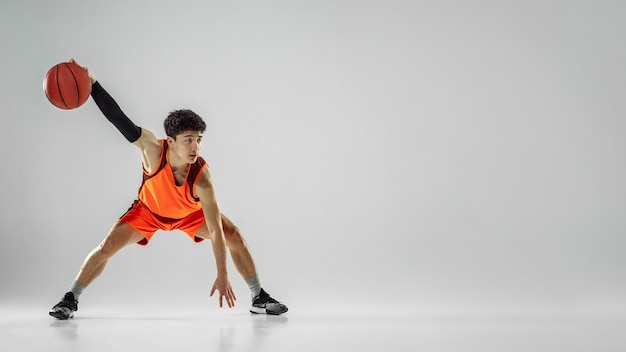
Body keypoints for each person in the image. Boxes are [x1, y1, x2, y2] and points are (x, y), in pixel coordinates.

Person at [49, 59, 288, 319]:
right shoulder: (152, 150)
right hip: (148, 212)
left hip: (189, 216)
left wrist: (222, 275)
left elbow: (216, 231)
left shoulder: (202, 177)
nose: (195, 147)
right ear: (171, 142)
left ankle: (258, 296)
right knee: (107, 246)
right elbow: (119, 119)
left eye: (199, 140)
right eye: (188, 140)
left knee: (235, 236)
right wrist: (93, 84)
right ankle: (70, 299)